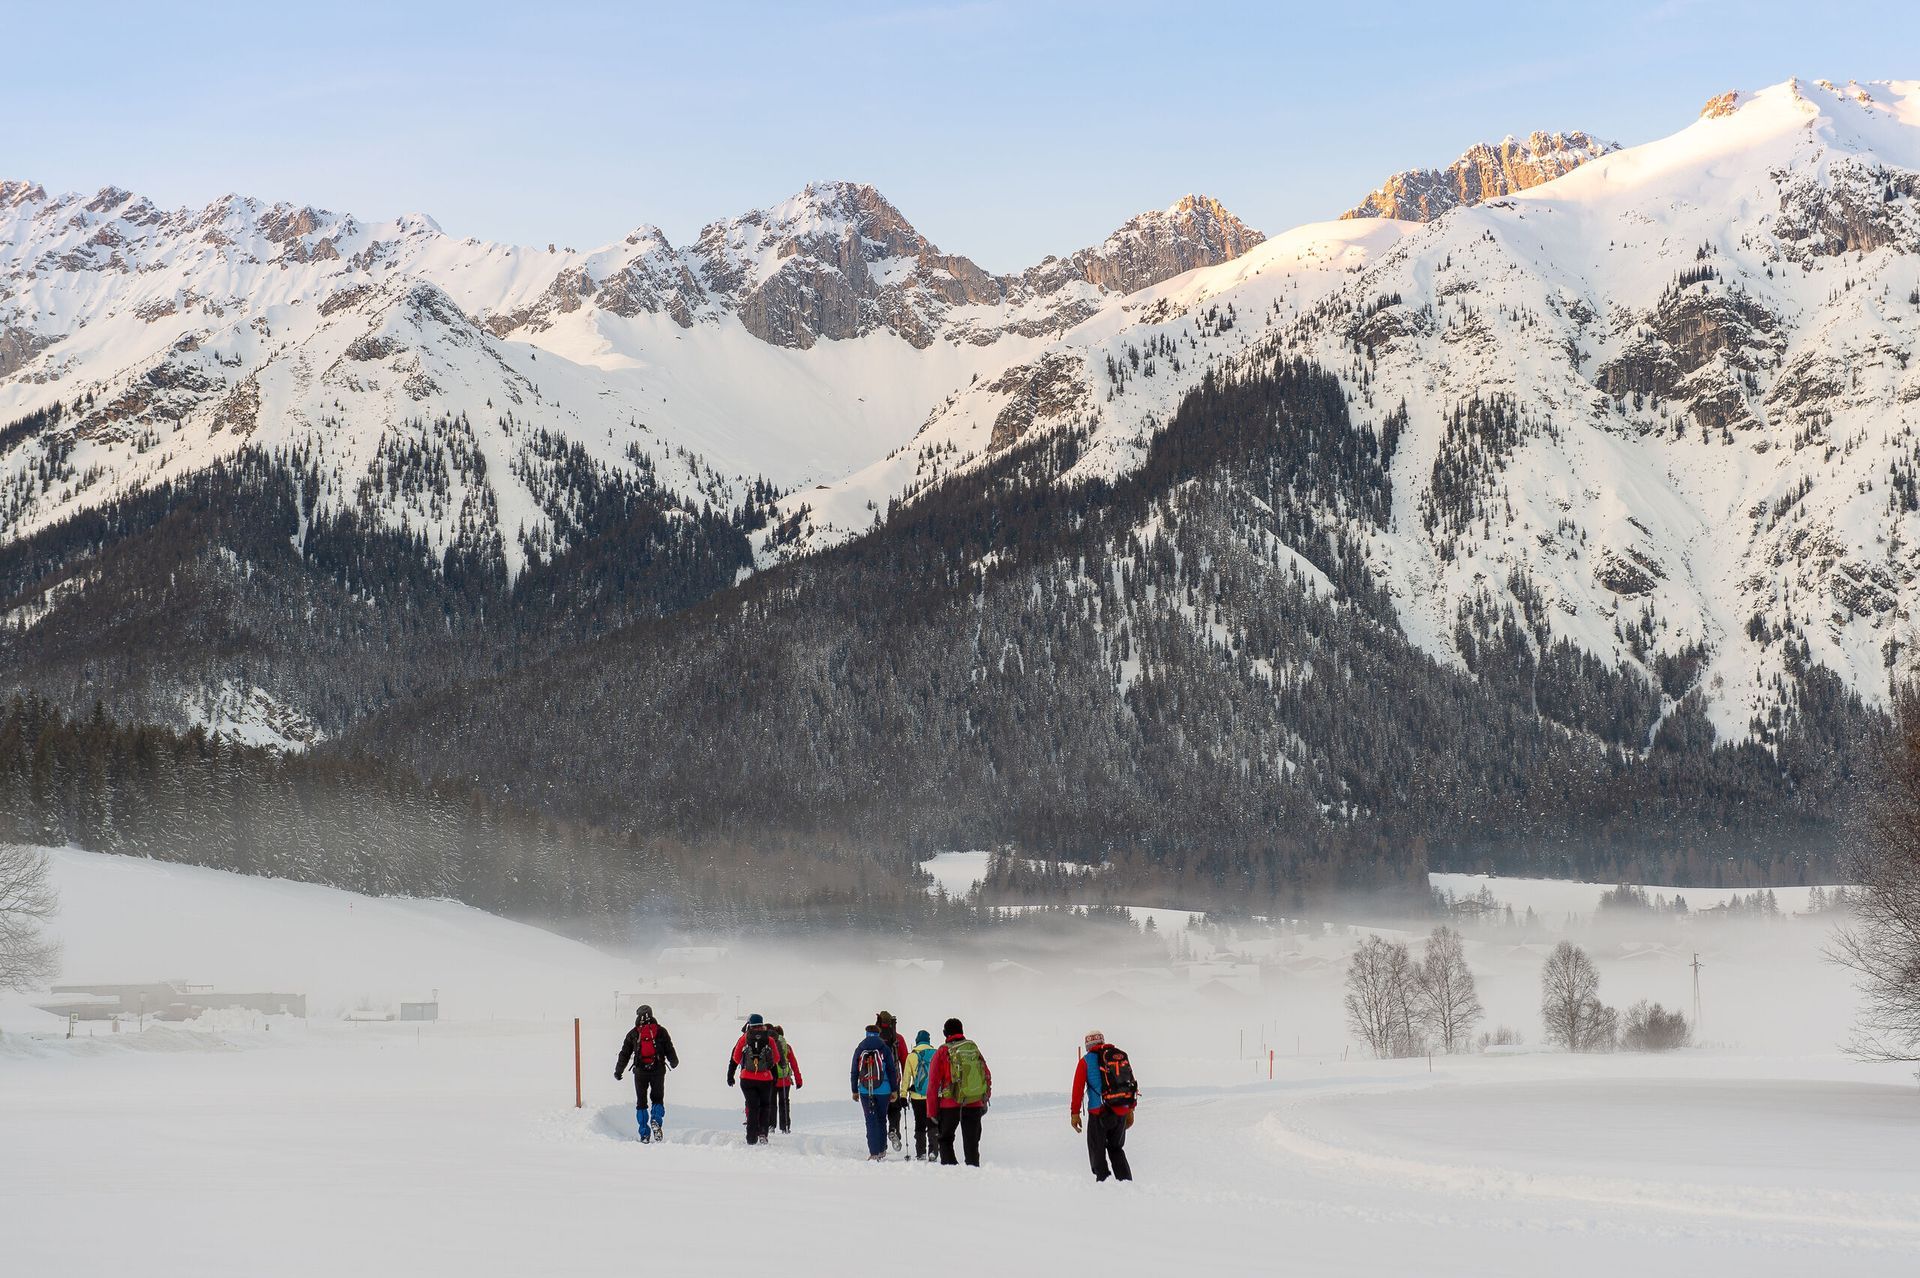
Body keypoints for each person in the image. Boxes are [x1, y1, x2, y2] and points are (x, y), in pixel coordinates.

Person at [1069, 1029, 1136, 1182]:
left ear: (1088, 1045)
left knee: (1096, 1150)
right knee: (1116, 1148)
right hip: (1120, 1110)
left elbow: (1077, 1089)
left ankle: (1103, 1183)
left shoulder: (1085, 1061)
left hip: (1098, 1113)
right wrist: (1130, 1110)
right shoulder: (1118, 1056)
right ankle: (1125, 1182)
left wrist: (1075, 1113)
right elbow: (1130, 1083)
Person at [924, 1016, 991, 1167]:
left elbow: (933, 1085)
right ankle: (973, 1172)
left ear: (945, 1033)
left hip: (950, 1106)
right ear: (961, 1031)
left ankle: (952, 1174)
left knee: (945, 1139)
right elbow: (986, 1074)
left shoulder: (942, 1052)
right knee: (972, 1143)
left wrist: (932, 1112)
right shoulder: (972, 1048)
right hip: (973, 1102)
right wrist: (984, 1099)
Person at [613, 1004, 679, 1143]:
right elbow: (669, 1048)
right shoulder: (661, 1031)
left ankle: (644, 1133)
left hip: (640, 1072)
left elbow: (624, 1054)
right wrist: (674, 1061)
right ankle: (656, 1120)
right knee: (657, 1098)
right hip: (658, 1070)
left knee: (641, 1102)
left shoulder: (634, 1033)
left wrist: (618, 1071)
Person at [728, 1013, 785, 1145]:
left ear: (749, 1024)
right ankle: (763, 1134)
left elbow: (736, 1058)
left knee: (752, 1106)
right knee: (765, 1107)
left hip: (747, 1079)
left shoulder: (744, 1038)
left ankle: (751, 1137)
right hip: (765, 1079)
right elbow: (776, 1059)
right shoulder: (770, 1039)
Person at [850, 1022, 902, 1160]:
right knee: (881, 1119)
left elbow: (854, 1071)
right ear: (878, 1034)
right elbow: (891, 1070)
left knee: (870, 1120)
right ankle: (881, 1150)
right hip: (884, 1090)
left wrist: (854, 1090)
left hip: (865, 1090)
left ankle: (873, 1153)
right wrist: (894, 1090)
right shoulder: (884, 1048)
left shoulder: (860, 1048)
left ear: (866, 1033)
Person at [873, 1010, 911, 1153]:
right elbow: (905, 1061)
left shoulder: (873, 1039)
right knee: (894, 1109)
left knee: (879, 1113)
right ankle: (894, 1129)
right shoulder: (898, 1039)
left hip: (875, 1083)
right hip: (893, 1081)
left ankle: (881, 1146)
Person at [903, 1028, 938, 1160]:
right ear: (928, 1041)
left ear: (917, 1041)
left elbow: (906, 1078)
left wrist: (902, 1095)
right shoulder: (936, 1054)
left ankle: (921, 1152)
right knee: (933, 1122)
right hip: (933, 1096)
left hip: (917, 1096)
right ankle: (933, 1151)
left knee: (919, 1123)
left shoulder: (911, 1056)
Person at [772, 1025, 803, 1134]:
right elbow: (794, 1064)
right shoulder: (787, 1047)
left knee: (772, 1103)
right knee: (784, 1103)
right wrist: (799, 1080)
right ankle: (785, 1126)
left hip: (772, 1079)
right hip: (785, 1079)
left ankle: (771, 1125)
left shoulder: (771, 1045)